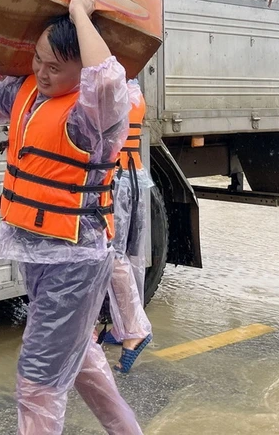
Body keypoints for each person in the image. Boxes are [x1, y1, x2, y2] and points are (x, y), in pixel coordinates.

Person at [0, 0, 142, 435]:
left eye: (55, 67)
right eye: (38, 59)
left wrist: (82, 13)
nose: (41, 71)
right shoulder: (27, 92)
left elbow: (108, 79)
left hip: (75, 260)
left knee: (37, 380)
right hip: (38, 254)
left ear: (79, 70)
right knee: (79, 360)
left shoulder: (92, 115)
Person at [99, 80, 153, 374]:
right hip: (135, 176)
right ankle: (124, 328)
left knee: (112, 255)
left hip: (118, 180)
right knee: (131, 256)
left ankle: (134, 329)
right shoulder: (133, 89)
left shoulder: (115, 92)